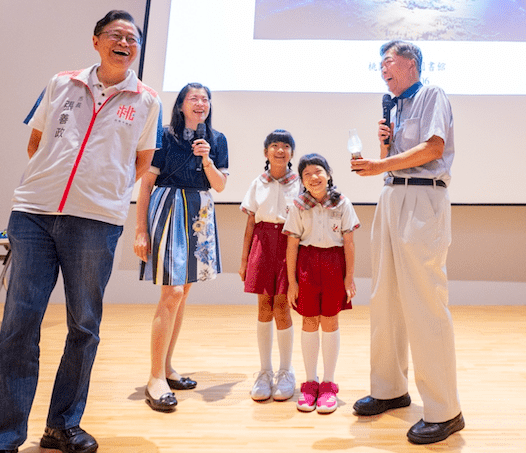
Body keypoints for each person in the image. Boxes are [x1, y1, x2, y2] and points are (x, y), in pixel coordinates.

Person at [0, 10, 163, 453]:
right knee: (18, 327)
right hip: (34, 216)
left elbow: (142, 162)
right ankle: (3, 439)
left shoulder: (146, 100)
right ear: (96, 41)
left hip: (96, 221)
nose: (125, 43)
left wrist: (103, 191)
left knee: (84, 325)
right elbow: (36, 141)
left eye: (133, 39)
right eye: (116, 35)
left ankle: (62, 426)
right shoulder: (61, 82)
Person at [350, 40, 464, 445]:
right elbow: (393, 155)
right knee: (385, 296)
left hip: (423, 196)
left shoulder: (432, 94)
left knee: (424, 299)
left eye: (389, 62)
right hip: (391, 195)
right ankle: (388, 389)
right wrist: (382, 148)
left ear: (411, 64)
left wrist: (381, 163)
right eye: (380, 64)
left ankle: (444, 410)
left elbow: (433, 147)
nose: (383, 69)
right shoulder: (393, 106)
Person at [134, 82, 228, 412]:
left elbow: (219, 185)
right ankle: (155, 377)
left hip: (200, 212)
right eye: (194, 98)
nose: (200, 103)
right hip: (168, 207)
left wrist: (206, 159)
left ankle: (168, 368)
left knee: (184, 291)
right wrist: (140, 229)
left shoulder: (216, 140)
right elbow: (146, 185)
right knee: (172, 291)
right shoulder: (164, 135)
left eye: (205, 98)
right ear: (181, 104)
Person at [283, 153, 358, 415]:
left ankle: (328, 383)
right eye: (307, 174)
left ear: (328, 174)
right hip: (307, 264)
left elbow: (349, 244)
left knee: (330, 320)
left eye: (318, 171)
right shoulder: (298, 205)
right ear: (302, 181)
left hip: (334, 265)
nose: (314, 177)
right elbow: (292, 245)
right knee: (309, 321)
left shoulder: (343, 203)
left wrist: (348, 278)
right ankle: (310, 382)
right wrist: (292, 282)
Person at [239, 129, 299, 402]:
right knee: (264, 305)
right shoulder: (257, 183)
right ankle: (264, 371)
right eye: (274, 145)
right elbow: (250, 223)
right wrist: (244, 260)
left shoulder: (299, 183)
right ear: (266, 153)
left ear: (291, 154)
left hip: (288, 245)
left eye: (285, 146)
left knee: (282, 306)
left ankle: (286, 371)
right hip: (262, 245)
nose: (279, 150)